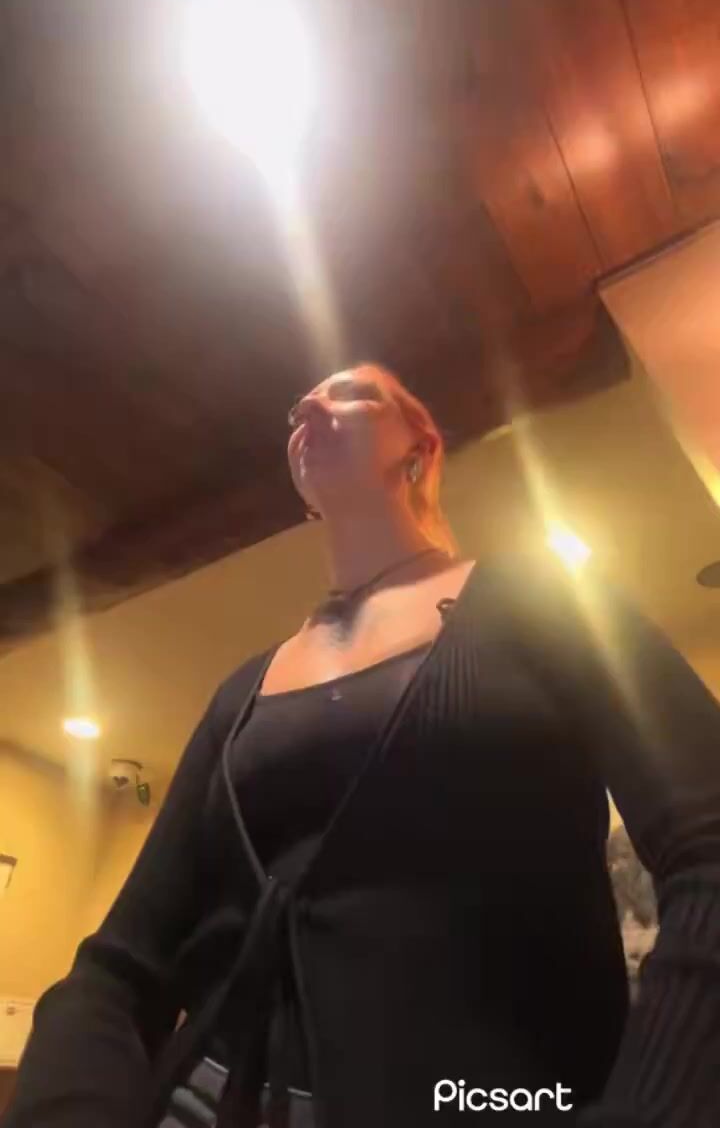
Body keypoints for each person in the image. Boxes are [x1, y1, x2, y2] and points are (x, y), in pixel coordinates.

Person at [6, 362, 720, 1128]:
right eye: (299, 404)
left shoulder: (548, 603)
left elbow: (707, 846)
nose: (308, 406)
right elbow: (120, 965)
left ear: (421, 446)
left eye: (351, 392)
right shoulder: (241, 692)